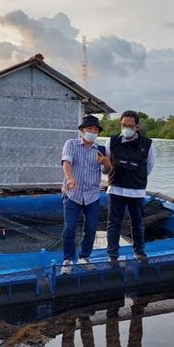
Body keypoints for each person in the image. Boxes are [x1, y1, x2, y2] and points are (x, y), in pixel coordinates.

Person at [61, 115, 111, 274]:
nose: (92, 131)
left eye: (95, 129)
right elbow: (66, 162)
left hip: (92, 195)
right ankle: (67, 260)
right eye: (90, 128)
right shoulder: (71, 144)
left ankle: (84, 257)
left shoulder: (101, 149)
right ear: (82, 130)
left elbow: (106, 171)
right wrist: (70, 178)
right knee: (69, 228)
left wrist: (107, 164)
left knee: (91, 228)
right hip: (73, 193)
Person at [104, 110, 155, 265]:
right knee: (114, 222)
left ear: (137, 127)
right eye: (124, 125)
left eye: (130, 125)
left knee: (137, 222)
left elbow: (149, 166)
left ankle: (139, 252)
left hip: (136, 190)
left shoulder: (147, 144)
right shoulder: (112, 141)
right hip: (116, 189)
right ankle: (112, 254)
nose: (126, 128)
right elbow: (106, 163)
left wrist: (137, 179)